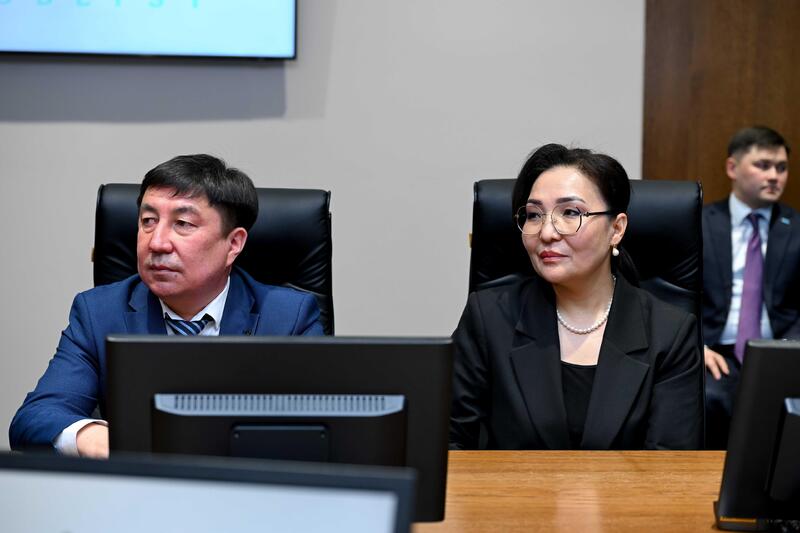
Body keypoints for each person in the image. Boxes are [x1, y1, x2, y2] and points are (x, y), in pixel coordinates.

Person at [9, 154, 323, 457]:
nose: (157, 242)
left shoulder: (289, 318)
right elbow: (35, 417)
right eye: (148, 221)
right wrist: (91, 437)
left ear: (233, 244)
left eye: (183, 223)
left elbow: (318, 434)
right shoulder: (98, 313)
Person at [450, 144, 703, 450]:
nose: (547, 232)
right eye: (533, 215)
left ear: (616, 229)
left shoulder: (671, 334)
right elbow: (450, 445)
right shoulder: (488, 318)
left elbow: (671, 465)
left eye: (570, 213)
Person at [702, 126, 799, 449]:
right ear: (732, 167)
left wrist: (791, 350)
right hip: (715, 350)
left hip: (781, 349)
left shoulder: (795, 227)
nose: (774, 176)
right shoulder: (700, 222)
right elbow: (674, 297)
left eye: (781, 168)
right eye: (763, 165)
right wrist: (694, 345)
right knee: (708, 398)